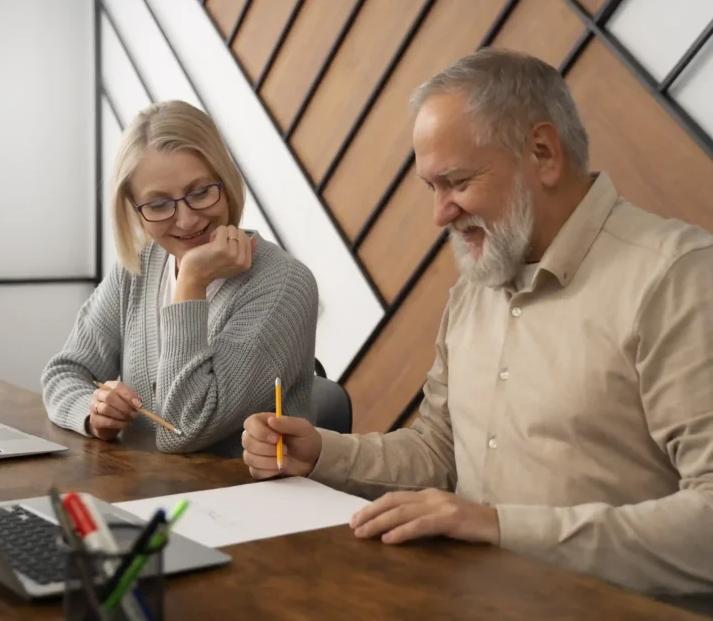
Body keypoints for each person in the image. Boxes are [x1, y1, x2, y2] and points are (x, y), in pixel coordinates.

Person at [241, 49, 713, 595]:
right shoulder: (474, 290)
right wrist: (322, 453)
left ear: (543, 153)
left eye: (457, 182)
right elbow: (441, 453)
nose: (440, 213)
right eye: (431, 188)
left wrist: (497, 527)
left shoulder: (678, 279)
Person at [42, 100, 318, 457]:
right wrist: (93, 413)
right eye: (158, 205)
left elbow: (184, 429)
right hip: (148, 489)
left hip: (244, 499)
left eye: (201, 192)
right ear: (134, 210)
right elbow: (64, 371)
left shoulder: (283, 285)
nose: (186, 221)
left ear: (227, 180)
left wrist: (191, 282)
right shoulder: (139, 268)